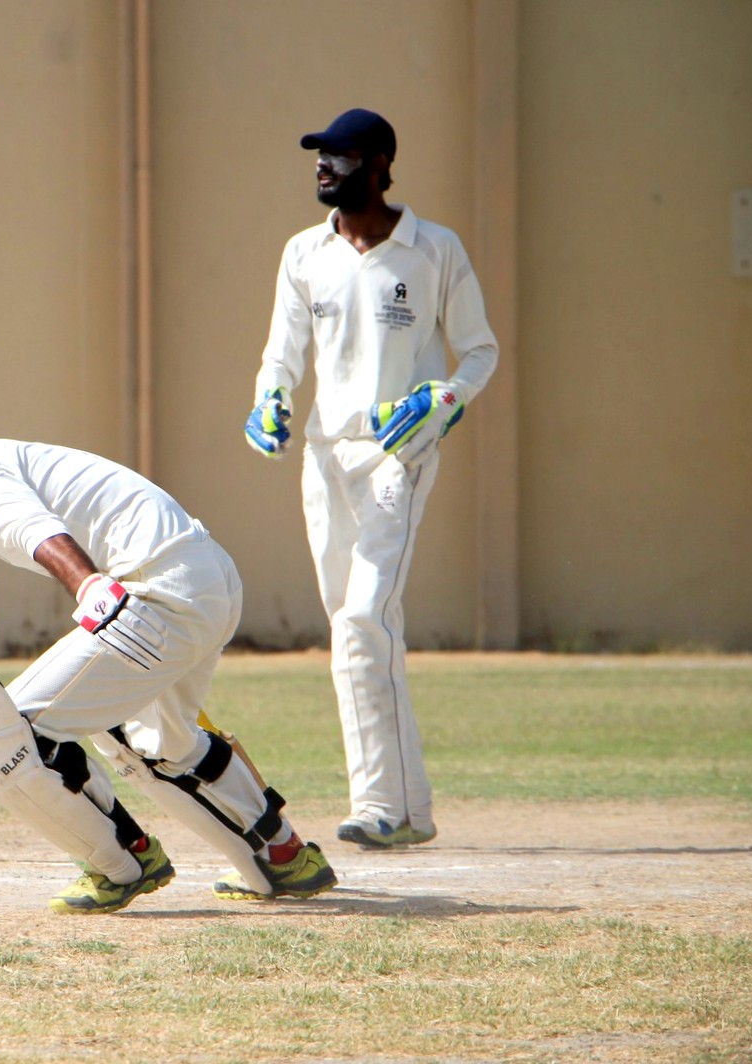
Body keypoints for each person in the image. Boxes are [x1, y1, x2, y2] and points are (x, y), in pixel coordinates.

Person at [0, 378, 337, 914]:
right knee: (156, 740)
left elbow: (34, 529)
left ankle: (122, 863)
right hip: (205, 578)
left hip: (159, 590)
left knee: (6, 735)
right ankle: (284, 855)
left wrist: (88, 585)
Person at [243, 108, 499, 849]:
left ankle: (378, 805)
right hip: (324, 456)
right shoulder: (304, 252)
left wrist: (444, 400)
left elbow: (480, 352)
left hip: (399, 454)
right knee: (359, 631)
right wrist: (268, 401)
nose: (324, 167)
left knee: (364, 619)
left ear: (382, 165)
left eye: (342, 156)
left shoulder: (434, 249)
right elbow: (281, 355)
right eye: (319, 156)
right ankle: (412, 808)